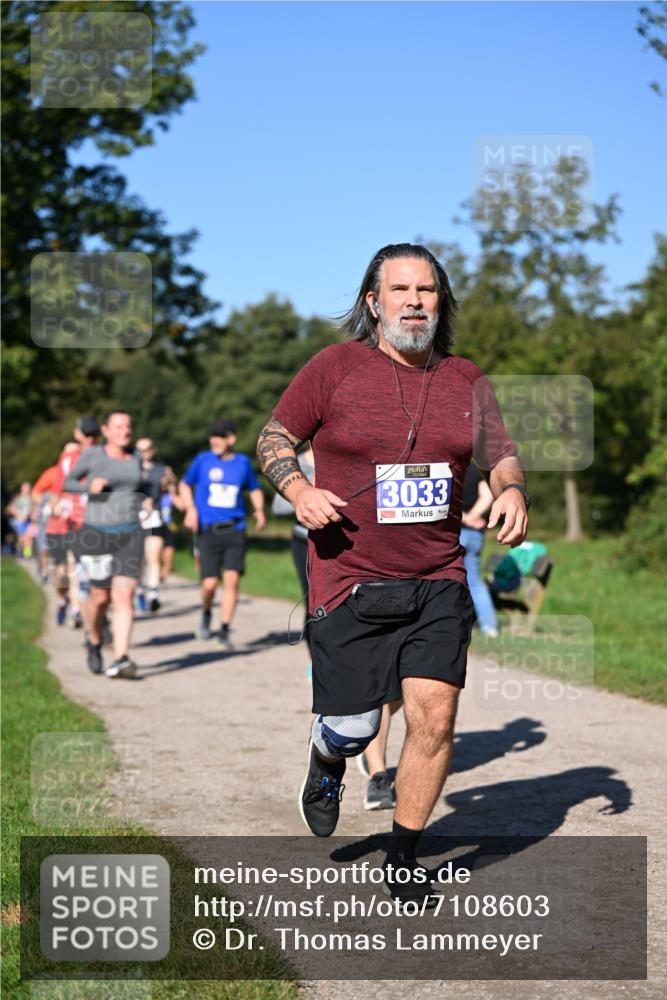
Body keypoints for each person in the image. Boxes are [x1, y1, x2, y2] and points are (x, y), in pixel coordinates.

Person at [257, 243, 529, 904]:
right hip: (347, 577)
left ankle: (404, 851)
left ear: (440, 302)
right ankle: (326, 760)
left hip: (437, 576)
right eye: (401, 290)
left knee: (433, 718)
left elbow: (502, 457)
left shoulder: (466, 379)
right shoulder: (335, 367)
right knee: (352, 728)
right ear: (373, 303)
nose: (415, 301)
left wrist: (513, 490)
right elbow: (271, 438)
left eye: (427, 291)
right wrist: (297, 490)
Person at [63, 410, 149, 678]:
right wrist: (89, 485)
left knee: (124, 595)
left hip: (130, 533)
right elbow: (68, 482)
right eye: (119, 426)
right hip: (97, 533)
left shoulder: (136, 456)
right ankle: (94, 638)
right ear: (106, 430)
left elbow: (140, 487)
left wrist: (147, 497)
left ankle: (122, 658)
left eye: (128, 425)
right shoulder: (92, 455)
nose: (125, 430)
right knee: (99, 598)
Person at [180, 419, 266, 649]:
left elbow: (254, 488)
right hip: (208, 531)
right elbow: (184, 484)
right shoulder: (202, 460)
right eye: (212, 436)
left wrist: (259, 510)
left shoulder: (242, 463)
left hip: (235, 529)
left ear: (231, 439)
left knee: (232, 580)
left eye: (220, 436)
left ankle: (224, 630)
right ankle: (207, 611)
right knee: (209, 584)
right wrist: (190, 509)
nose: (215, 441)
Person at [271, 444, 315, 657]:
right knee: (313, 601)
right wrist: (305, 491)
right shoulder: (297, 463)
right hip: (304, 542)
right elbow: (278, 507)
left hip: (343, 543)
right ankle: (315, 659)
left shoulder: (343, 458)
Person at [460, 460, 499, 637]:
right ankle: (489, 627)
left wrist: (463, 517)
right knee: (474, 581)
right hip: (475, 533)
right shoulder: (475, 467)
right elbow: (488, 496)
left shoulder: (447, 465)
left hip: (455, 532)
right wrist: (473, 516)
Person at [135, 437, 167, 613]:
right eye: (140, 449)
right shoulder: (129, 468)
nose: (144, 453)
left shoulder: (162, 470)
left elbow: (170, 491)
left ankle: (153, 594)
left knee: (153, 557)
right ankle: (140, 590)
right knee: (138, 561)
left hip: (154, 517)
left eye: (147, 449)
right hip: (133, 519)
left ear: (153, 450)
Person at [6, 483, 34, 557]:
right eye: (25, 487)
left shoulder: (31, 498)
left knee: (28, 538)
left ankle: (27, 555)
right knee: (21, 538)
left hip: (28, 521)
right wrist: (18, 515)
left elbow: (34, 509)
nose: (26, 489)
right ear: (21, 488)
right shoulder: (17, 498)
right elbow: (10, 508)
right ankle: (18, 552)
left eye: (27, 487)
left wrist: (32, 514)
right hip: (18, 521)